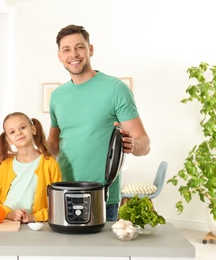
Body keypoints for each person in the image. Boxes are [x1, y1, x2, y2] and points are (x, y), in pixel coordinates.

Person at [47, 24, 150, 221]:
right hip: (64, 192)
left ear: (90, 49)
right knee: (66, 252)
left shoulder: (115, 89)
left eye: (79, 47)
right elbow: (52, 146)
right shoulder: (57, 96)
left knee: (102, 252)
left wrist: (134, 144)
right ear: (59, 56)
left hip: (102, 196)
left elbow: (144, 143)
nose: (73, 54)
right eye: (66, 49)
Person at [0, 112, 62, 223]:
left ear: (33, 129)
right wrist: (9, 214)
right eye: (12, 132)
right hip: (7, 222)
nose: (18, 133)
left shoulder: (50, 164)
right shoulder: (5, 166)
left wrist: (34, 217)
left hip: (36, 224)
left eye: (22, 127)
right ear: (9, 140)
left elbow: (59, 203)